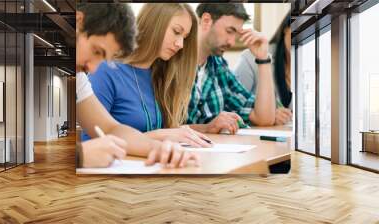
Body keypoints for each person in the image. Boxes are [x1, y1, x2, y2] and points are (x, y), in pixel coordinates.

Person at [76, 3, 199, 168]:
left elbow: (111, 128)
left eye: (184, 37)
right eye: (97, 51)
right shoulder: (104, 71)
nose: (180, 44)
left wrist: (161, 148)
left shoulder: (80, 78)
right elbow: (94, 140)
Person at [187, 3, 276, 135]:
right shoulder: (172, 61)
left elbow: (264, 118)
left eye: (236, 35)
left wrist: (263, 58)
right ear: (206, 21)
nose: (232, 42)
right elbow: (159, 128)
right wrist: (206, 128)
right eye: (229, 31)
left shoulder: (219, 66)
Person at [234, 12, 292, 125]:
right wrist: (267, 113)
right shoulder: (252, 57)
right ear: (286, 28)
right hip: (255, 137)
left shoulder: (313, 63)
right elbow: (230, 107)